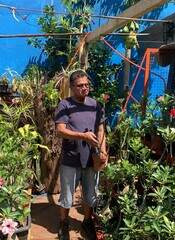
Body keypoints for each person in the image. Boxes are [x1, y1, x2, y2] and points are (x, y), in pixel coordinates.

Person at [54, 69, 107, 240]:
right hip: (71, 159)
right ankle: (63, 223)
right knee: (67, 196)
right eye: (80, 86)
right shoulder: (65, 105)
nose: (84, 88)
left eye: (86, 85)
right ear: (71, 87)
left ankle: (87, 221)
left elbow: (100, 128)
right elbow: (60, 130)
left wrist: (103, 150)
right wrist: (82, 136)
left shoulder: (95, 105)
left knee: (90, 195)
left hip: (92, 158)